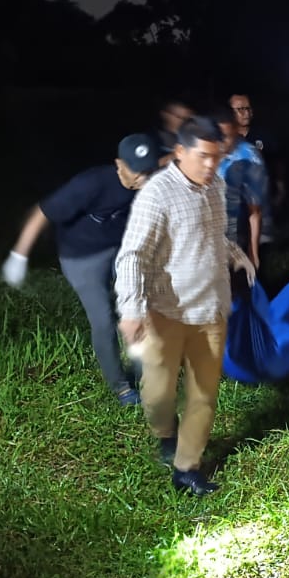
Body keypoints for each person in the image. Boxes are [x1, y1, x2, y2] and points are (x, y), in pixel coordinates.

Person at [115, 117, 255, 497]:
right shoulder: (157, 194)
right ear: (180, 152)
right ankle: (165, 431)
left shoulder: (216, 186)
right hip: (166, 312)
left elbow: (214, 235)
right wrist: (131, 309)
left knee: (204, 394)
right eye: (203, 157)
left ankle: (187, 468)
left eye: (216, 157)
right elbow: (132, 256)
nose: (211, 165)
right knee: (158, 394)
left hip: (211, 309)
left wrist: (236, 254)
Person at [1, 134, 164, 404]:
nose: (143, 178)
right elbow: (42, 213)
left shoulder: (150, 183)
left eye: (149, 170)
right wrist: (18, 256)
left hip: (119, 250)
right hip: (81, 258)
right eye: (137, 171)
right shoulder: (91, 184)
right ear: (119, 164)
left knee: (140, 308)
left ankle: (143, 373)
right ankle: (121, 387)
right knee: (103, 320)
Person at [216, 103, 267, 276]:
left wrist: (253, 253)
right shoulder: (204, 153)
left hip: (235, 234)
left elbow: (255, 211)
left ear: (235, 131)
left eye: (226, 137)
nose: (221, 142)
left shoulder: (249, 157)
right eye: (218, 136)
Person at [229, 92, 282, 248]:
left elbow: (277, 160)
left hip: (260, 197)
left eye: (248, 108)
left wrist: (280, 184)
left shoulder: (262, 135)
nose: (246, 113)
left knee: (262, 240)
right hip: (235, 199)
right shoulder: (226, 138)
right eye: (240, 109)